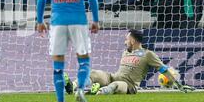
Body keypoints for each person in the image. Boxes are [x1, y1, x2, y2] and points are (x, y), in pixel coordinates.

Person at [65, 29, 194, 95]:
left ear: (133, 41)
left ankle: (95, 93)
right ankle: (73, 86)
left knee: (115, 85)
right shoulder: (126, 52)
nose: (125, 41)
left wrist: (179, 86)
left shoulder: (148, 54)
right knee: (93, 73)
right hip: (113, 77)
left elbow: (163, 69)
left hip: (129, 86)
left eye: (127, 39)